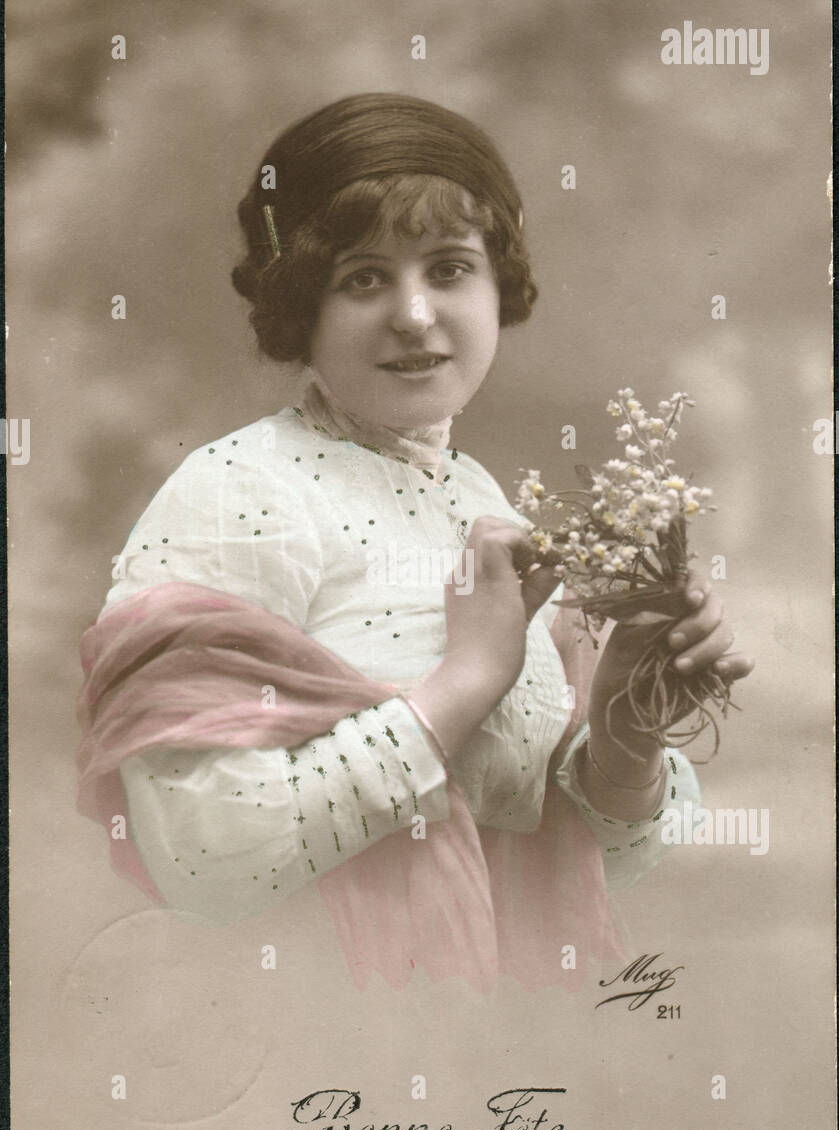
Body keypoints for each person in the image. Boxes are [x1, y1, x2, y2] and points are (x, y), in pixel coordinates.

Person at [76, 93, 753, 993]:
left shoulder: (475, 497)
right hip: (308, 1030)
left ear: (494, 286)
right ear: (298, 302)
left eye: (449, 268)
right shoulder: (239, 490)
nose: (415, 316)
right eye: (362, 278)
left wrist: (622, 734)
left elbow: (556, 856)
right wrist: (465, 680)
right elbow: (206, 863)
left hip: (484, 1033)